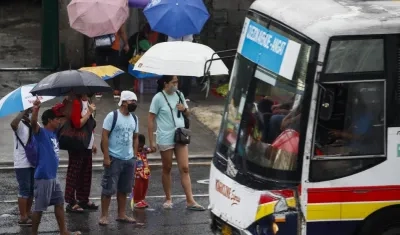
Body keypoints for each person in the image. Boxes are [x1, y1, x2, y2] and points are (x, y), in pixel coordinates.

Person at [148, 75, 205, 211]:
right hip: (165, 137)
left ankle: (190, 200)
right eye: (174, 82)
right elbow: (150, 120)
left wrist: (184, 110)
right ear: (166, 83)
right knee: (167, 168)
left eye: (177, 81)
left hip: (180, 136)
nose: (177, 84)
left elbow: (188, 114)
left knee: (185, 168)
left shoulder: (179, 94)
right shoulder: (158, 98)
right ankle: (168, 198)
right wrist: (152, 141)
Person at [30, 98, 80, 235]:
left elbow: (67, 118)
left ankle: (63, 231)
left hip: (53, 176)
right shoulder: (40, 133)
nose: (59, 121)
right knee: (39, 208)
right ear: (50, 120)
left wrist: (68, 105)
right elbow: (33, 123)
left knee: (59, 202)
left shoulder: (53, 134)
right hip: (44, 176)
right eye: (56, 119)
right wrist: (36, 108)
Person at [99, 90, 139, 225]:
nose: (134, 103)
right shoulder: (112, 116)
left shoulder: (134, 118)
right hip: (114, 158)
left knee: (124, 188)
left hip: (129, 159)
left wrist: (134, 155)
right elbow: (104, 135)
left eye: (135, 101)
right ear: (123, 102)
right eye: (132, 101)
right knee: (108, 188)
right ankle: (104, 216)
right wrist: (106, 156)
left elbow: (135, 137)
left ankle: (121, 214)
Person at [63, 94, 98, 213]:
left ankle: (83, 199)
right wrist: (89, 112)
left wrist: (92, 142)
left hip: (87, 143)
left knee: (86, 172)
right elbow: (77, 124)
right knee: (74, 172)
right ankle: (71, 201)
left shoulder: (88, 102)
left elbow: (90, 126)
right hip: (77, 144)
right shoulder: (75, 102)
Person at [10, 108, 35, 226]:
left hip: (33, 160)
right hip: (21, 162)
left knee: (31, 190)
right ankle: (23, 217)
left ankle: (28, 212)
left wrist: (33, 114)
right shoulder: (18, 123)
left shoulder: (32, 122)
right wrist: (22, 112)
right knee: (24, 189)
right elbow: (13, 124)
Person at [95, 22, 129, 98]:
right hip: (114, 46)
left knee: (99, 67)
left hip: (100, 45)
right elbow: (122, 32)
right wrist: (126, 44)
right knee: (114, 68)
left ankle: (98, 90)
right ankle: (116, 90)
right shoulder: (116, 17)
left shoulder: (97, 16)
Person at [132, 134, 153, 209]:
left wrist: (151, 146)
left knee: (145, 186)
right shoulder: (132, 150)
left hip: (145, 171)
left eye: (142, 145)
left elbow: (153, 149)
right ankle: (136, 201)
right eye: (138, 145)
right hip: (137, 173)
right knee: (138, 187)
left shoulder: (144, 149)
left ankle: (141, 199)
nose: (140, 147)